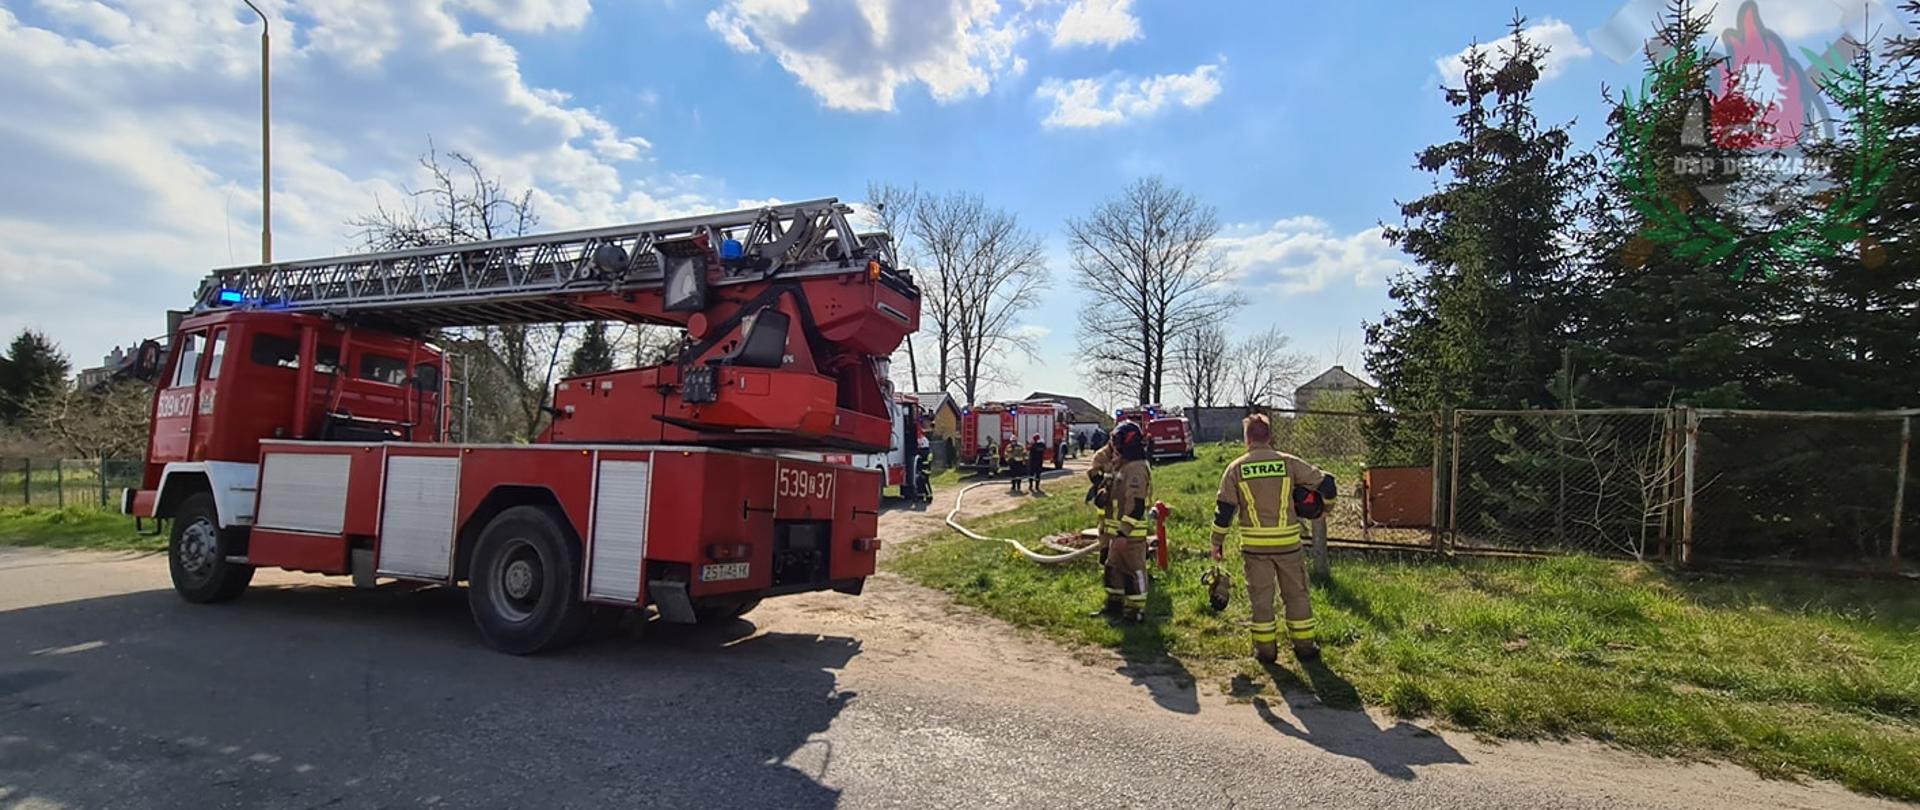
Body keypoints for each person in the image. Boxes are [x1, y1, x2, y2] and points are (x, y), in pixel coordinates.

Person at [1210, 414, 1337, 663]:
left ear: (1247, 439)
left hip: (1255, 549)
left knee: (1261, 599)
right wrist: (1325, 509)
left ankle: (1266, 652)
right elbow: (1328, 484)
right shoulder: (1288, 463)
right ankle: (1305, 647)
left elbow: (1224, 511)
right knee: (1297, 595)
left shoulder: (1235, 469)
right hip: (1288, 545)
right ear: (1269, 437)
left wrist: (1217, 542)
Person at [1087, 421, 1153, 621]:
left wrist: (1123, 533)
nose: (1113, 446)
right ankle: (1114, 606)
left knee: (1133, 571)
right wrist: (1102, 495)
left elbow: (1136, 506)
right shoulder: (1122, 465)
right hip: (1115, 532)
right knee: (1112, 569)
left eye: (1117, 441)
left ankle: (1135, 612)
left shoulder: (1136, 469)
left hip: (1130, 535)